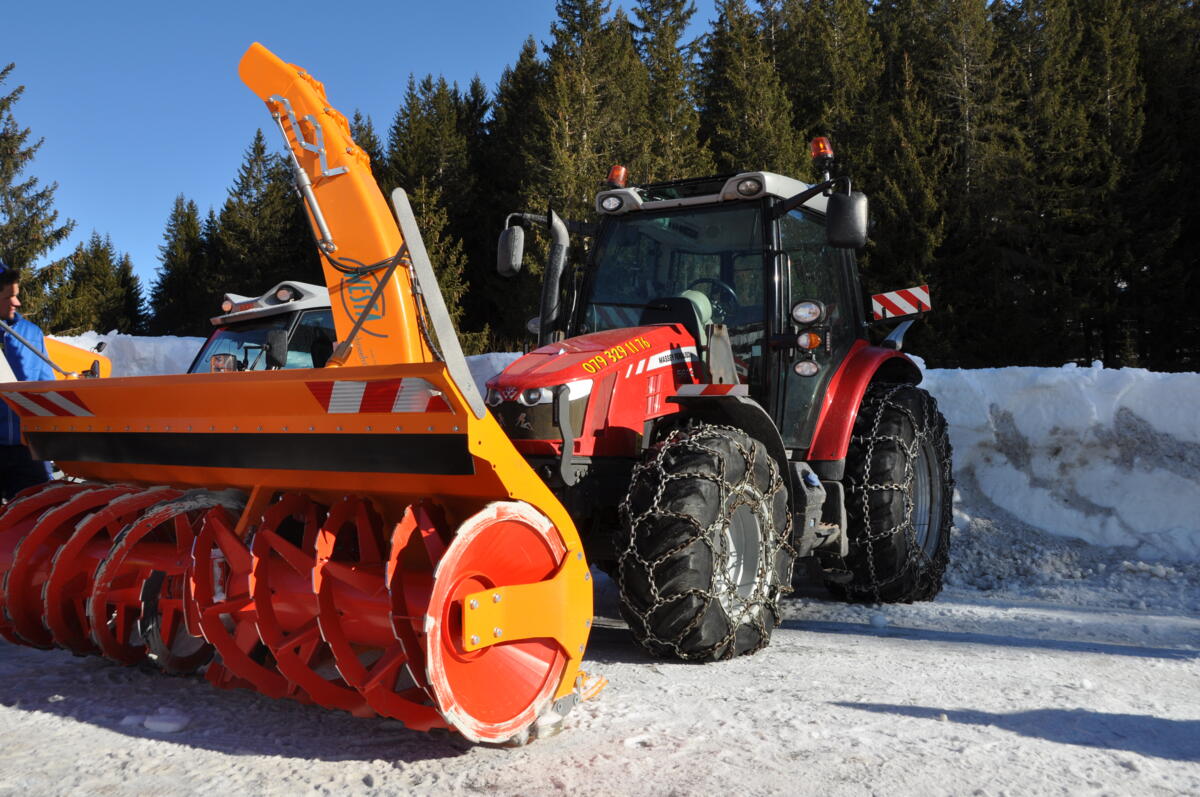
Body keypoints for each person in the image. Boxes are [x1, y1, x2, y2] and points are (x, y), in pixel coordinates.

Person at [0, 261, 54, 500]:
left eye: (17, 295)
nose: (17, 303)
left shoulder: (31, 334)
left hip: (27, 452)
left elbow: (48, 388)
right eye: (8, 297)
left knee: (38, 519)